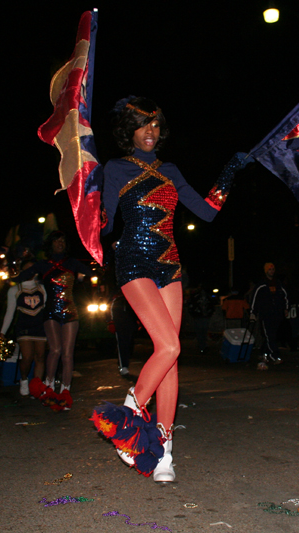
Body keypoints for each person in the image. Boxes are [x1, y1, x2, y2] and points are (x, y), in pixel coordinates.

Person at [91, 96, 249, 482]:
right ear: (129, 131)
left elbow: (208, 211)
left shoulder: (170, 170)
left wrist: (230, 171)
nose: (151, 132)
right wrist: (91, 204)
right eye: (143, 125)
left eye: (156, 125)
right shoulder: (115, 168)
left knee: (170, 358)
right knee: (171, 346)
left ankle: (163, 450)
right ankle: (131, 411)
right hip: (132, 261)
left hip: (170, 265)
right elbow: (106, 225)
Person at [18, 231, 92, 408]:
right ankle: (49, 387)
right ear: (50, 244)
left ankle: (65, 391)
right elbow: (20, 277)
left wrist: (83, 274)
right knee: (55, 350)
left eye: (62, 241)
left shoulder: (72, 262)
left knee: (67, 353)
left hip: (70, 312)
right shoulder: (43, 265)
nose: (60, 243)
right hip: (50, 312)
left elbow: (91, 271)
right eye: (57, 241)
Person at [0, 260, 47, 396]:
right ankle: (24, 379)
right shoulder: (15, 290)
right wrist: (3, 331)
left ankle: (36, 386)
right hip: (24, 327)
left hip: (40, 326)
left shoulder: (42, 288)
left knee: (41, 357)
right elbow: (10, 312)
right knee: (27, 356)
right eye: (26, 270)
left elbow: (47, 308)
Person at [251, 263, 289, 366]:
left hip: (277, 314)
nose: (272, 271)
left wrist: (285, 308)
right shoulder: (261, 285)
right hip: (266, 314)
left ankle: (263, 353)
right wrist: (253, 312)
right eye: (270, 269)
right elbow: (255, 299)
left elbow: (285, 296)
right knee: (269, 335)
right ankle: (275, 355)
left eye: (273, 269)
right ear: (266, 271)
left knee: (271, 336)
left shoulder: (278, 284)